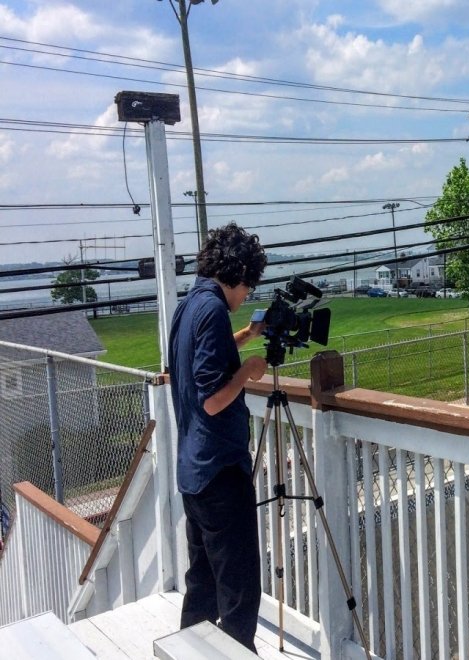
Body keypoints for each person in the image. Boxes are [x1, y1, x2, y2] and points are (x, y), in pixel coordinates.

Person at [169, 222, 268, 652]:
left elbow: (197, 358)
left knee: (203, 584)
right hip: (221, 471)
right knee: (240, 592)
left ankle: (190, 650)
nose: (247, 294)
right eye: (248, 285)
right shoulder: (211, 310)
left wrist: (245, 335)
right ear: (238, 273)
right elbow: (211, 398)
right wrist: (248, 370)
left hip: (195, 471)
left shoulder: (190, 305)